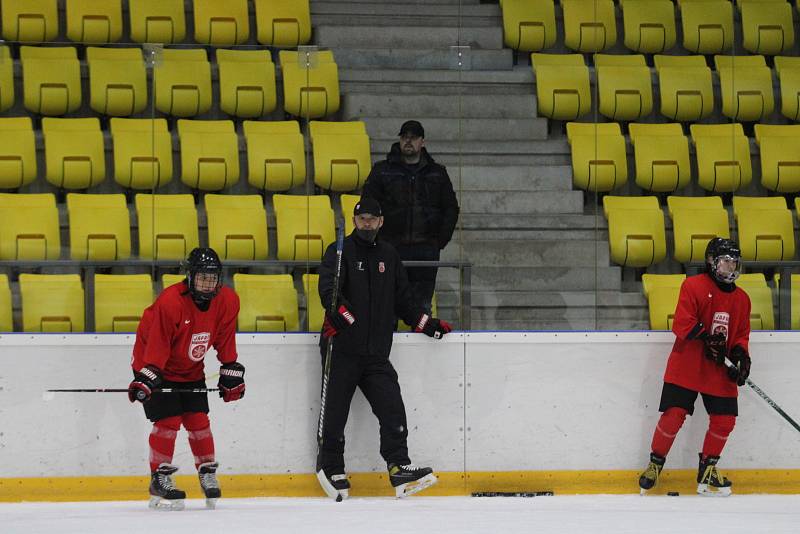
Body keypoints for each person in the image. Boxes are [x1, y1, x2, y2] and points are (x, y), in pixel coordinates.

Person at [316, 197, 452, 500]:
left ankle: (399, 467)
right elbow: (329, 290)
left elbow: (403, 300)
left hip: (377, 353)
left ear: (380, 222)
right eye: (361, 219)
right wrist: (340, 314)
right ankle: (331, 465)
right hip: (342, 349)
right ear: (354, 221)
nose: (367, 224)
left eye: (372, 219)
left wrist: (425, 323)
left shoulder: (389, 255)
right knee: (335, 412)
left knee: (392, 408)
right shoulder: (339, 251)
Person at [128, 247, 245, 510]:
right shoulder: (170, 302)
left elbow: (225, 338)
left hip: (190, 368)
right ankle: (159, 477)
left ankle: (206, 471)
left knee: (198, 420)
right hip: (153, 362)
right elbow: (156, 342)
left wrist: (230, 368)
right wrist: (148, 376)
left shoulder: (227, 301)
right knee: (168, 421)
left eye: (212, 278)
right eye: (202, 277)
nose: (207, 284)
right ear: (190, 277)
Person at [638, 238, 752, 497]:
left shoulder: (743, 299)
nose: (731, 268)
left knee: (725, 421)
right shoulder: (693, 286)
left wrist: (740, 356)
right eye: (725, 262)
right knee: (673, 414)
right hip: (687, 363)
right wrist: (706, 338)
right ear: (711, 262)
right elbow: (682, 322)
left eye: (734, 262)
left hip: (717, 369)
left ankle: (708, 469)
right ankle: (655, 464)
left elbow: (742, 334)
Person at [362, 120, 460, 313]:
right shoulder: (381, 170)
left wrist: (438, 242)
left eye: (413, 137)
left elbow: (451, 209)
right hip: (390, 248)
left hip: (426, 250)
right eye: (404, 137)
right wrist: (378, 241)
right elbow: (368, 206)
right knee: (386, 306)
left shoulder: (438, 173)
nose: (408, 141)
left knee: (421, 308)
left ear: (422, 141)